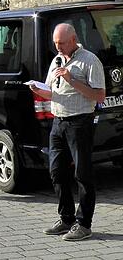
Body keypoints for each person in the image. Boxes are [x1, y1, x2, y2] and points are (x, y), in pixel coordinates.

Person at [31, 23, 105, 242]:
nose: (58, 48)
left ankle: (84, 224)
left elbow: (99, 96)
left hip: (80, 122)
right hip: (58, 122)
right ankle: (66, 218)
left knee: (82, 174)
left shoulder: (89, 60)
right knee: (56, 172)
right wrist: (39, 90)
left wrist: (71, 79)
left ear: (74, 39)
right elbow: (52, 92)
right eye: (55, 43)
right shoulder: (56, 61)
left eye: (61, 43)